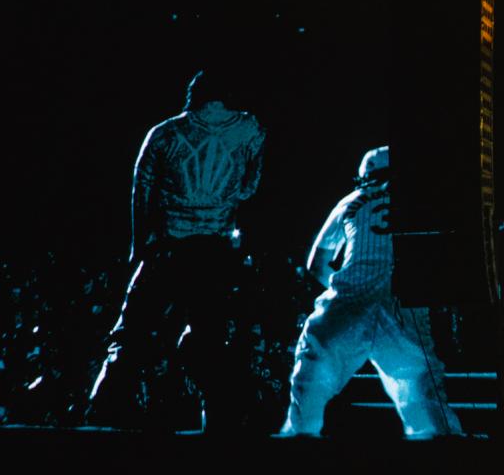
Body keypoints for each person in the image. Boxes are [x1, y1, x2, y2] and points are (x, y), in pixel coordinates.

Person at [87, 65, 265, 430]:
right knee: (211, 336)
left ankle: (103, 411)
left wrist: (139, 245)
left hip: (170, 246)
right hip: (215, 249)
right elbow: (250, 188)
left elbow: (141, 191)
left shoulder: (165, 133)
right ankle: (219, 419)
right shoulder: (251, 129)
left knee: (131, 333)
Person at [279, 147, 463, 438]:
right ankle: (443, 454)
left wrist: (346, 289)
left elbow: (316, 263)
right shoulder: (421, 202)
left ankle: (299, 444)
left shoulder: (350, 201)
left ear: (365, 176)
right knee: (421, 386)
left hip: (350, 301)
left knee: (313, 371)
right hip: (402, 302)